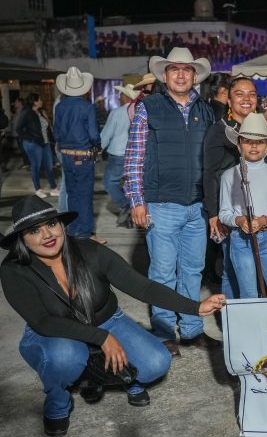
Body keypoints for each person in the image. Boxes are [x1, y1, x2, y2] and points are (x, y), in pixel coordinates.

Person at [0, 196, 225, 437]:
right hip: (55, 332)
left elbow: (143, 288)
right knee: (66, 357)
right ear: (22, 238)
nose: (47, 235)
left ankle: (105, 374)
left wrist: (195, 307)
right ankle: (58, 401)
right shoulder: (14, 270)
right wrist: (101, 338)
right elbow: (43, 321)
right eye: (35, 230)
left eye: (51, 224)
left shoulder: (90, 251)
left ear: (61, 225)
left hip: (107, 320)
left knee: (156, 362)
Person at [123, 47, 217, 357]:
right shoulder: (148, 107)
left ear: (194, 76)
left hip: (197, 207)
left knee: (192, 271)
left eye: (186, 69)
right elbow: (134, 158)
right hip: (160, 206)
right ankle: (164, 333)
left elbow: (214, 161)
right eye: (174, 69)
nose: (180, 74)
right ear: (165, 76)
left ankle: (191, 330)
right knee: (163, 273)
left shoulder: (206, 111)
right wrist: (137, 200)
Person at [204, 77, 267, 300]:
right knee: (231, 269)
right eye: (239, 93)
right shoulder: (218, 131)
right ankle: (233, 322)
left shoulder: (259, 129)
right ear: (228, 100)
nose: (246, 99)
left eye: (251, 94)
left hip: (260, 213)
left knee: (252, 272)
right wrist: (213, 214)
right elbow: (209, 174)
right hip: (230, 210)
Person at [218, 113, 267, 298]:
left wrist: (264, 220)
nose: (254, 146)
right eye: (248, 141)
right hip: (240, 240)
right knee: (249, 292)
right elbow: (224, 213)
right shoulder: (229, 176)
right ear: (239, 145)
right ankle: (252, 327)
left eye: (260, 142)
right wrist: (239, 220)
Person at [53, 67, 103, 244]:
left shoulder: (59, 107)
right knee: (85, 195)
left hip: (66, 155)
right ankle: (86, 233)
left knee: (72, 194)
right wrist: (98, 145)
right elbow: (94, 135)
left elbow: (56, 134)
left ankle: (73, 229)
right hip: (83, 155)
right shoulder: (86, 106)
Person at [101, 84, 140, 229]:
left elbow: (106, 135)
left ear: (126, 96)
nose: (119, 97)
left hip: (119, 154)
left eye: (121, 94)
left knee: (109, 182)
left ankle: (127, 205)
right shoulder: (140, 111)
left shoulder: (117, 112)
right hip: (135, 155)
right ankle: (132, 214)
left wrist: (98, 149)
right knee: (131, 185)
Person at [16, 93, 59, 199]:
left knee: (49, 166)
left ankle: (53, 188)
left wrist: (52, 140)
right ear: (34, 102)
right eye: (40, 100)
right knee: (36, 166)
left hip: (45, 143)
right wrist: (30, 138)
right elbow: (18, 129)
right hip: (33, 144)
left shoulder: (39, 112)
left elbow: (46, 128)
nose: (41, 101)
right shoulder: (26, 113)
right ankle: (38, 189)